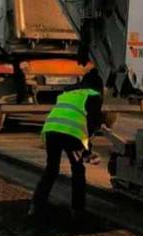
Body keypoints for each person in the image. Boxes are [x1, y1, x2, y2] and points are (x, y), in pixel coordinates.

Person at [28, 69, 104, 219]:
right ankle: (78, 210)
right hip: (70, 132)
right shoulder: (94, 96)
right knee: (78, 170)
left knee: (51, 169)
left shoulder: (68, 93)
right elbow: (89, 127)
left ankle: (35, 206)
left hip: (51, 130)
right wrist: (87, 151)